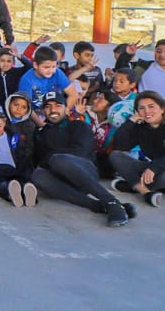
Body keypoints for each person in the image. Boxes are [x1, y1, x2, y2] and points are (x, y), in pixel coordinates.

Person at [30, 91, 135, 227]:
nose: (53, 110)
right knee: (38, 175)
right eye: (48, 106)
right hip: (62, 182)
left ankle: (112, 202)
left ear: (65, 108)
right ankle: (98, 206)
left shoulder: (79, 126)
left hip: (84, 171)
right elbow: (37, 160)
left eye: (57, 105)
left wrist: (49, 159)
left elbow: (81, 151)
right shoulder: (40, 133)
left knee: (57, 159)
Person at [109, 91, 165, 206]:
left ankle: (135, 186)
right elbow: (120, 146)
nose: (147, 111)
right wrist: (130, 121)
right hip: (156, 172)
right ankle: (145, 191)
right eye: (142, 108)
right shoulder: (141, 128)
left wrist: (153, 168)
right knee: (116, 156)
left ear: (162, 109)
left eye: (151, 106)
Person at [0, 111, 36, 207]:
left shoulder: (13, 137)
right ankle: (10, 193)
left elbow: (21, 154)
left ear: (4, 123)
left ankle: (28, 194)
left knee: (18, 180)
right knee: (0, 182)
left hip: (11, 167)